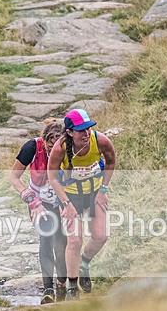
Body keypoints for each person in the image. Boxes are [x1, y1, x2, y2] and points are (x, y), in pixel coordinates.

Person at [47, 109, 116, 300]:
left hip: (94, 194)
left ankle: (84, 264)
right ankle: (71, 287)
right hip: (70, 196)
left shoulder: (100, 140)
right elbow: (52, 178)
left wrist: (103, 190)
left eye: (88, 129)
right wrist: (66, 204)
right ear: (70, 132)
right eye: (81, 130)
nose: (86, 134)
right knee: (75, 240)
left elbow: (111, 162)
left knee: (101, 236)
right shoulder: (60, 148)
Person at [9, 119, 67, 304]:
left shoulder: (70, 148)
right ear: (44, 142)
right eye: (49, 150)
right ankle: (48, 288)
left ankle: (63, 283)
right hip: (39, 202)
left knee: (62, 242)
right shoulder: (32, 148)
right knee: (46, 237)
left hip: (63, 200)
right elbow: (14, 176)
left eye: (56, 150)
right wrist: (31, 199)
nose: (53, 154)